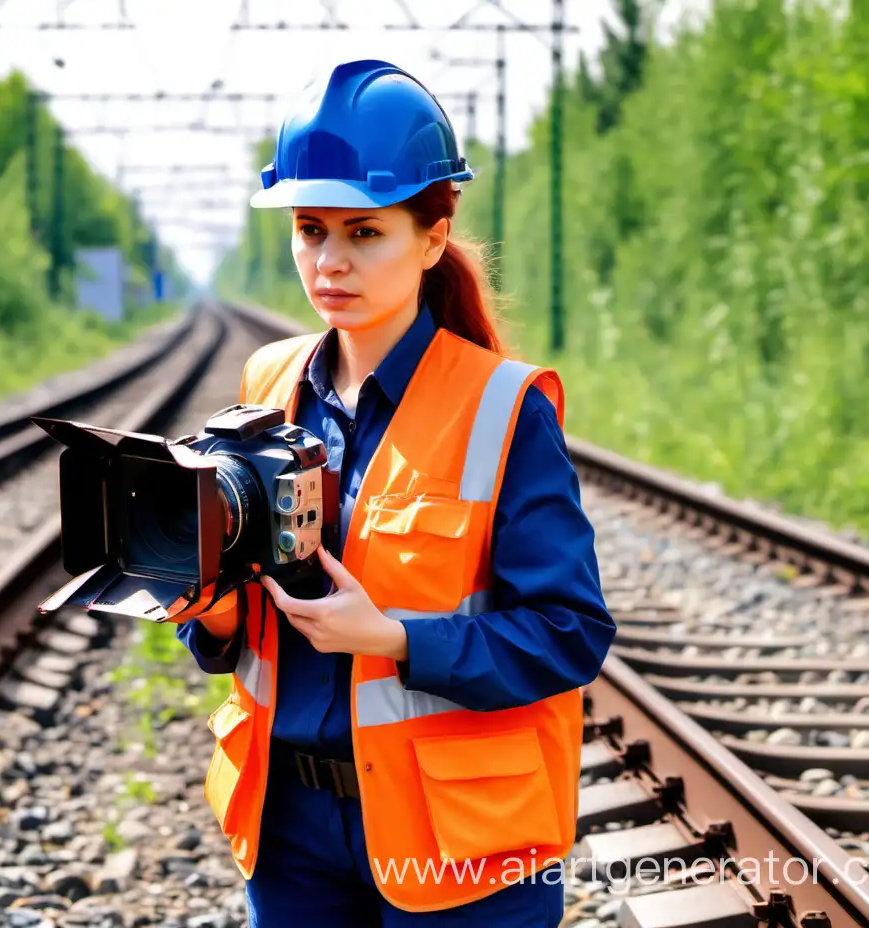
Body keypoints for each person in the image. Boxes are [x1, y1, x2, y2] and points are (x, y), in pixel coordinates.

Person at [176, 58, 615, 927]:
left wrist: (394, 638)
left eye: (364, 232)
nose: (330, 261)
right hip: (289, 833)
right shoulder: (268, 381)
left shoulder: (502, 407)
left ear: (431, 239)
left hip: (454, 844)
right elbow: (231, 643)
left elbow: (570, 636)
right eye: (310, 229)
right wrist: (209, 609)